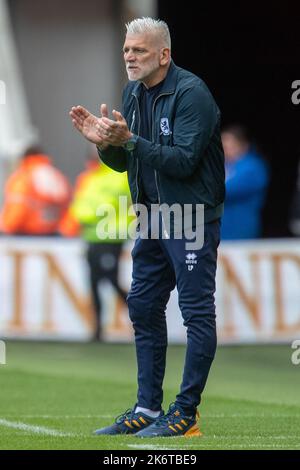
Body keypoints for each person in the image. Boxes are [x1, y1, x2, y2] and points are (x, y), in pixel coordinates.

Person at [70, 17, 225, 438]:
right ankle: (148, 407)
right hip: (151, 217)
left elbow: (184, 161)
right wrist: (105, 144)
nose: (129, 57)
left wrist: (131, 141)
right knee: (141, 306)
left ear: (164, 54)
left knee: (195, 313)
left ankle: (186, 412)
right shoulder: (133, 93)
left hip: (190, 215)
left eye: (138, 50)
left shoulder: (192, 94)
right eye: (126, 50)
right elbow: (128, 162)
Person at [59, 149, 131, 341]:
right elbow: (80, 204)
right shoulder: (91, 177)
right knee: (94, 282)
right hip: (92, 236)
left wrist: (84, 215)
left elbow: (100, 206)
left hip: (111, 236)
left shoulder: (120, 176)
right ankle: (98, 330)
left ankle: (142, 317)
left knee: (110, 279)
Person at [0, 146, 71, 235]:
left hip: (27, 234)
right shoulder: (58, 176)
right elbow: (68, 208)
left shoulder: (24, 177)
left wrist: (6, 229)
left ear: (25, 158)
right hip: (53, 234)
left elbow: (17, 207)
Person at [221, 125, 269, 240]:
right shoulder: (221, 165)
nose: (225, 150)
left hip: (241, 228)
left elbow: (226, 190)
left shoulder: (253, 166)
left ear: (243, 146)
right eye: (222, 146)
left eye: (229, 146)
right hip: (218, 230)